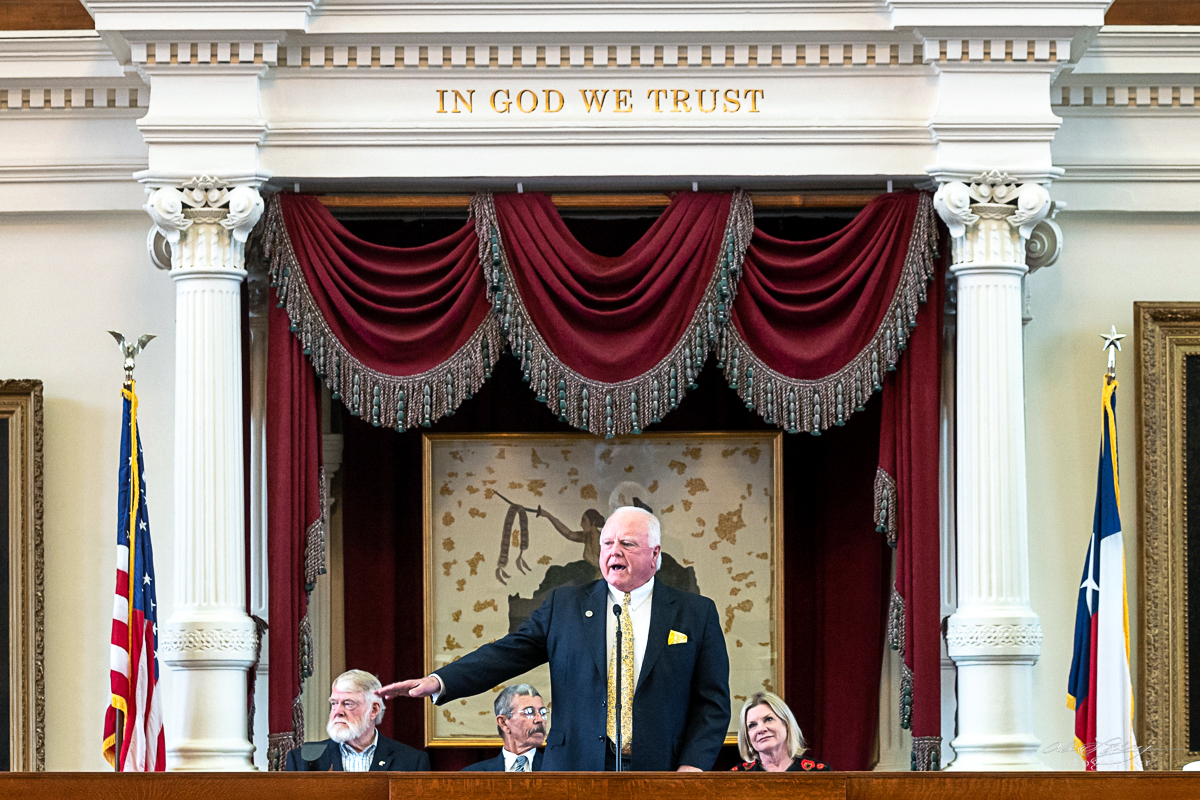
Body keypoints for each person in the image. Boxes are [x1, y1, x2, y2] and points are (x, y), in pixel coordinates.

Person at [379, 506, 731, 772]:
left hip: (661, 771)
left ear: (655, 555)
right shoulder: (566, 605)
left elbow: (711, 703)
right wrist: (440, 680)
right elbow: (506, 654)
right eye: (607, 543)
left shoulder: (695, 613)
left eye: (627, 544)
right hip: (575, 767)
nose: (613, 552)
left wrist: (693, 766)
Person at [285, 669, 431, 772]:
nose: (338, 711)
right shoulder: (302, 759)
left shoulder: (411, 761)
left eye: (348, 704)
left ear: (373, 710)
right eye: (334, 703)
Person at [729, 691, 831, 772]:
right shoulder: (735, 777)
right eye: (752, 725)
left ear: (786, 724)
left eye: (768, 719)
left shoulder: (820, 772)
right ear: (747, 736)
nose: (761, 729)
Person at [462, 684, 548, 772]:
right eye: (529, 712)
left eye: (542, 712)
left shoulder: (557, 769)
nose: (540, 719)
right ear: (503, 722)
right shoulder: (473, 775)